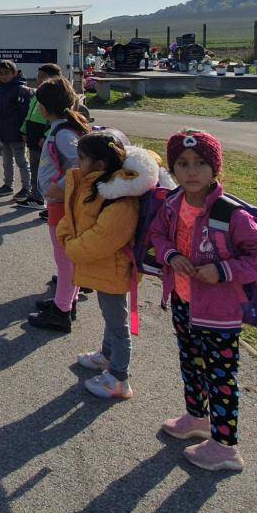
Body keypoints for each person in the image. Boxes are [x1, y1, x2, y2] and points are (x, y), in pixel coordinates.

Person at [150, 129, 257, 472]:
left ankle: (225, 447)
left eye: (200, 163)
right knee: (190, 363)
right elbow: (158, 236)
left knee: (221, 379)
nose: (191, 171)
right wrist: (170, 255)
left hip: (219, 313)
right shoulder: (172, 204)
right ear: (173, 169)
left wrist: (223, 270)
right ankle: (197, 418)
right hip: (183, 302)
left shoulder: (230, 215)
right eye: (183, 163)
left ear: (215, 169)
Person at [53, 134, 161, 395]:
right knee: (109, 316)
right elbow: (73, 216)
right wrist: (67, 235)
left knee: (118, 325)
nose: (76, 164)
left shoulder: (120, 200)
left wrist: (71, 247)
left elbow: (101, 239)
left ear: (100, 164)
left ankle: (119, 378)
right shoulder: (95, 187)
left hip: (113, 269)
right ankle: (106, 355)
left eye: (81, 159)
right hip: (102, 268)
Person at [29, 76, 91, 330]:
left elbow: (82, 164)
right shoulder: (62, 129)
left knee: (64, 259)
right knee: (66, 258)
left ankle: (62, 310)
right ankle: (66, 299)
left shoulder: (64, 133)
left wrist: (61, 186)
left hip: (62, 203)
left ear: (44, 107)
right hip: (60, 202)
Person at [19, 63, 60, 210]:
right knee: (35, 167)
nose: (39, 79)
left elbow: (56, 120)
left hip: (43, 138)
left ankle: (48, 201)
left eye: (43, 77)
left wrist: (46, 136)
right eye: (39, 76)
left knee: (46, 171)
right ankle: (35, 196)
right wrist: (24, 131)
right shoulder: (37, 93)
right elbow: (28, 115)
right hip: (32, 134)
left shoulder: (54, 96)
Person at [0, 60, 32, 200]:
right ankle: (8, 185)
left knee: (21, 161)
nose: (4, 76)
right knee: (6, 161)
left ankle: (27, 187)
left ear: (14, 73)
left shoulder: (22, 90)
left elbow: (26, 113)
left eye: (7, 73)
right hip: (3, 131)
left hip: (17, 132)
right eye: (1, 74)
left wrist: (24, 131)